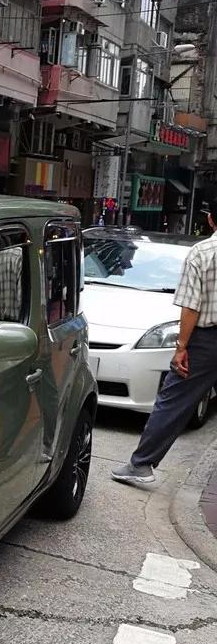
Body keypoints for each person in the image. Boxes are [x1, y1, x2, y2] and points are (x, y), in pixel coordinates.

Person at [113, 202, 217, 487]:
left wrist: (181, 346)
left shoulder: (203, 253)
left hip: (207, 342)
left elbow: (191, 306)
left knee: (173, 401)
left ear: (210, 220)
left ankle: (141, 465)